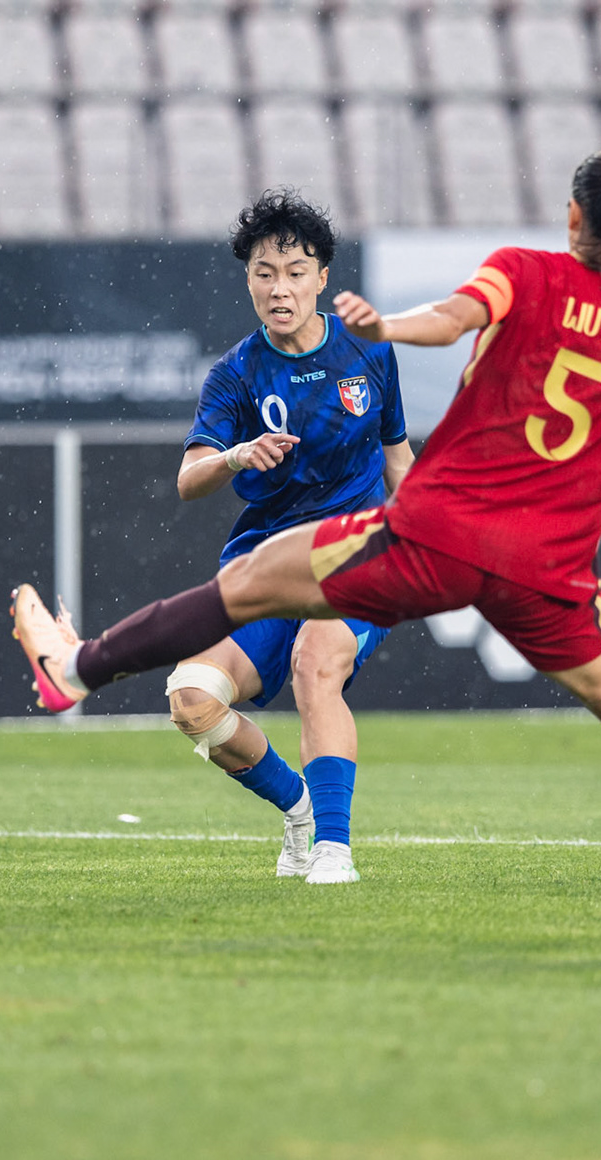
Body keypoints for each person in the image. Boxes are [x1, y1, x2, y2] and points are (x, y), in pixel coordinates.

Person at [12, 146, 601, 922]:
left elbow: (448, 322)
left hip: (437, 534)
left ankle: (78, 670)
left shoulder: (527, 273)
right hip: (550, 569)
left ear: (573, 219)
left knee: (247, 584)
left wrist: (389, 323)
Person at [152, 189, 411, 885]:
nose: (280, 287)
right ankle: (297, 811)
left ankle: (334, 848)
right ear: (248, 280)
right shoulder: (235, 375)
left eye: (295, 271)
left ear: (322, 277)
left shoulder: (369, 352)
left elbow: (397, 459)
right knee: (193, 700)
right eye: (265, 272)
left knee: (316, 657)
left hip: (357, 552)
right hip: (266, 566)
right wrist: (236, 456)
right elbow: (188, 478)